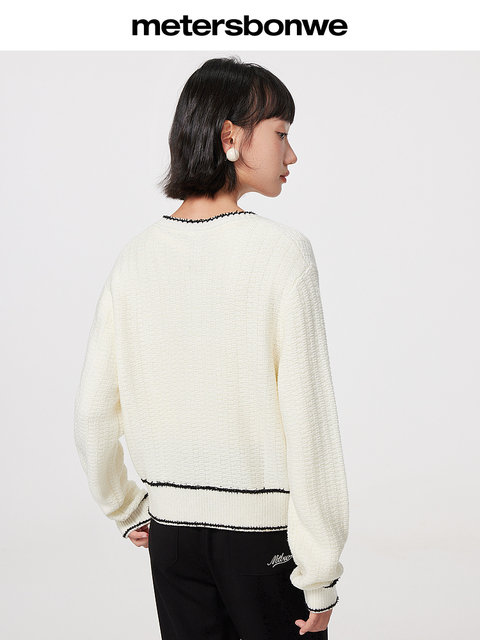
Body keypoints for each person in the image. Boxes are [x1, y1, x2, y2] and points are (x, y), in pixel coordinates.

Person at [74, 55, 349, 639]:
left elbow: (93, 413)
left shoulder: (135, 257)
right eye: (281, 134)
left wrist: (126, 509)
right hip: (263, 541)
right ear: (231, 137)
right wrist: (321, 572)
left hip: (171, 538)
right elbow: (310, 421)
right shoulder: (283, 253)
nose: (292, 155)